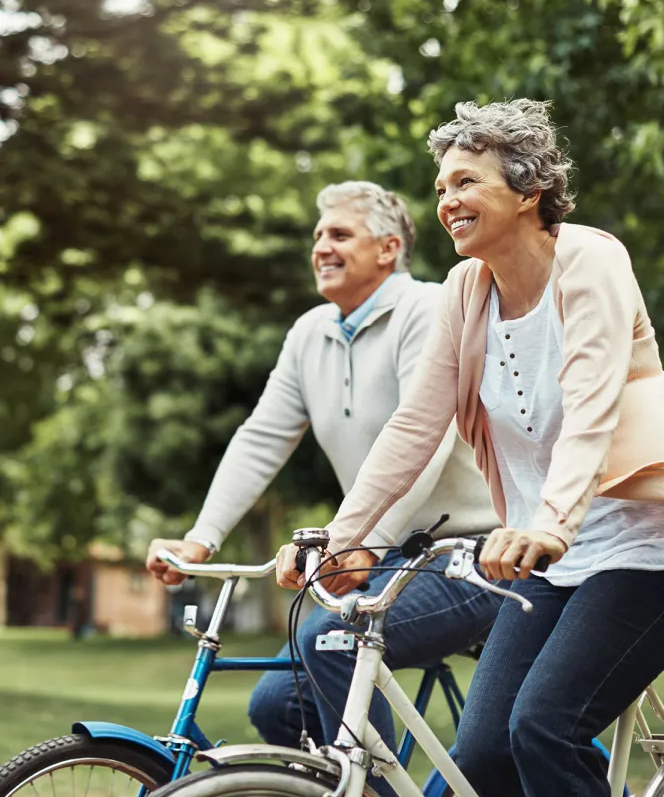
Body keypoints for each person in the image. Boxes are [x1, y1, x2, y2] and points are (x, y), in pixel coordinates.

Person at [276, 101, 664, 796]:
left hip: (657, 550)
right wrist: (342, 539)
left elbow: (592, 402)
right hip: (551, 565)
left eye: (466, 182)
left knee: (543, 727)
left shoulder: (591, 259)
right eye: (441, 188)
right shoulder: (466, 292)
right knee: (485, 754)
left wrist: (549, 525)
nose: (448, 201)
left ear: (529, 192)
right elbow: (415, 427)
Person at [145, 181, 501, 796]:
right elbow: (261, 439)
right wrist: (202, 538)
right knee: (277, 702)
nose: (321, 248)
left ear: (389, 248)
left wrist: (362, 541)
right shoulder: (311, 332)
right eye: (317, 237)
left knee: (330, 642)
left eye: (339, 234)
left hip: (474, 554)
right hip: (385, 556)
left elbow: (427, 436)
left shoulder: (429, 310)